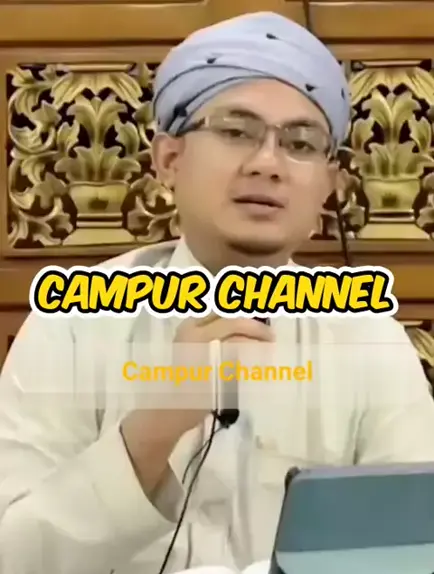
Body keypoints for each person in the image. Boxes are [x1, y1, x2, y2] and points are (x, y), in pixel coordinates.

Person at [1, 10, 434, 574]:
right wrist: (152, 430)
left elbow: (410, 550)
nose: (268, 164)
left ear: (328, 185)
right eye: (236, 132)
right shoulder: (74, 326)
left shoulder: (369, 339)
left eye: (301, 143)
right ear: (169, 160)